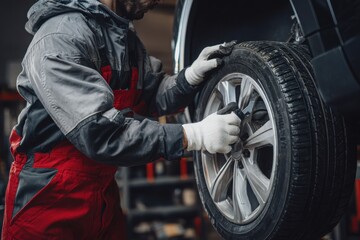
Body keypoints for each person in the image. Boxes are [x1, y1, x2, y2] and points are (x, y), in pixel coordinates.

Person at [2, 0, 241, 239]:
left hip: (103, 195)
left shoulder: (123, 38)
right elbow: (99, 133)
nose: (156, 2)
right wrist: (192, 136)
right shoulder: (60, 38)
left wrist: (188, 77)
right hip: (48, 201)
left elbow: (151, 96)